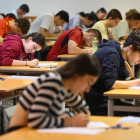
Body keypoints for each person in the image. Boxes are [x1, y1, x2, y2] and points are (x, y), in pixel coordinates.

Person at [9, 54, 100, 131]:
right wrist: (69, 122)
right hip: (20, 133)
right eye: (88, 82)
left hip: (39, 133)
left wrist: (65, 117)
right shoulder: (54, 81)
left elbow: (85, 111)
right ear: (77, 75)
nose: (88, 89)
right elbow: (35, 121)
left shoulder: (66, 87)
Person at [85, 29, 140, 116]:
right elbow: (111, 84)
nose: (139, 60)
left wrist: (135, 82)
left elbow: (126, 78)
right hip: (99, 105)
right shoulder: (112, 54)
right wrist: (137, 82)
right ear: (131, 48)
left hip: (107, 101)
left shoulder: (119, 53)